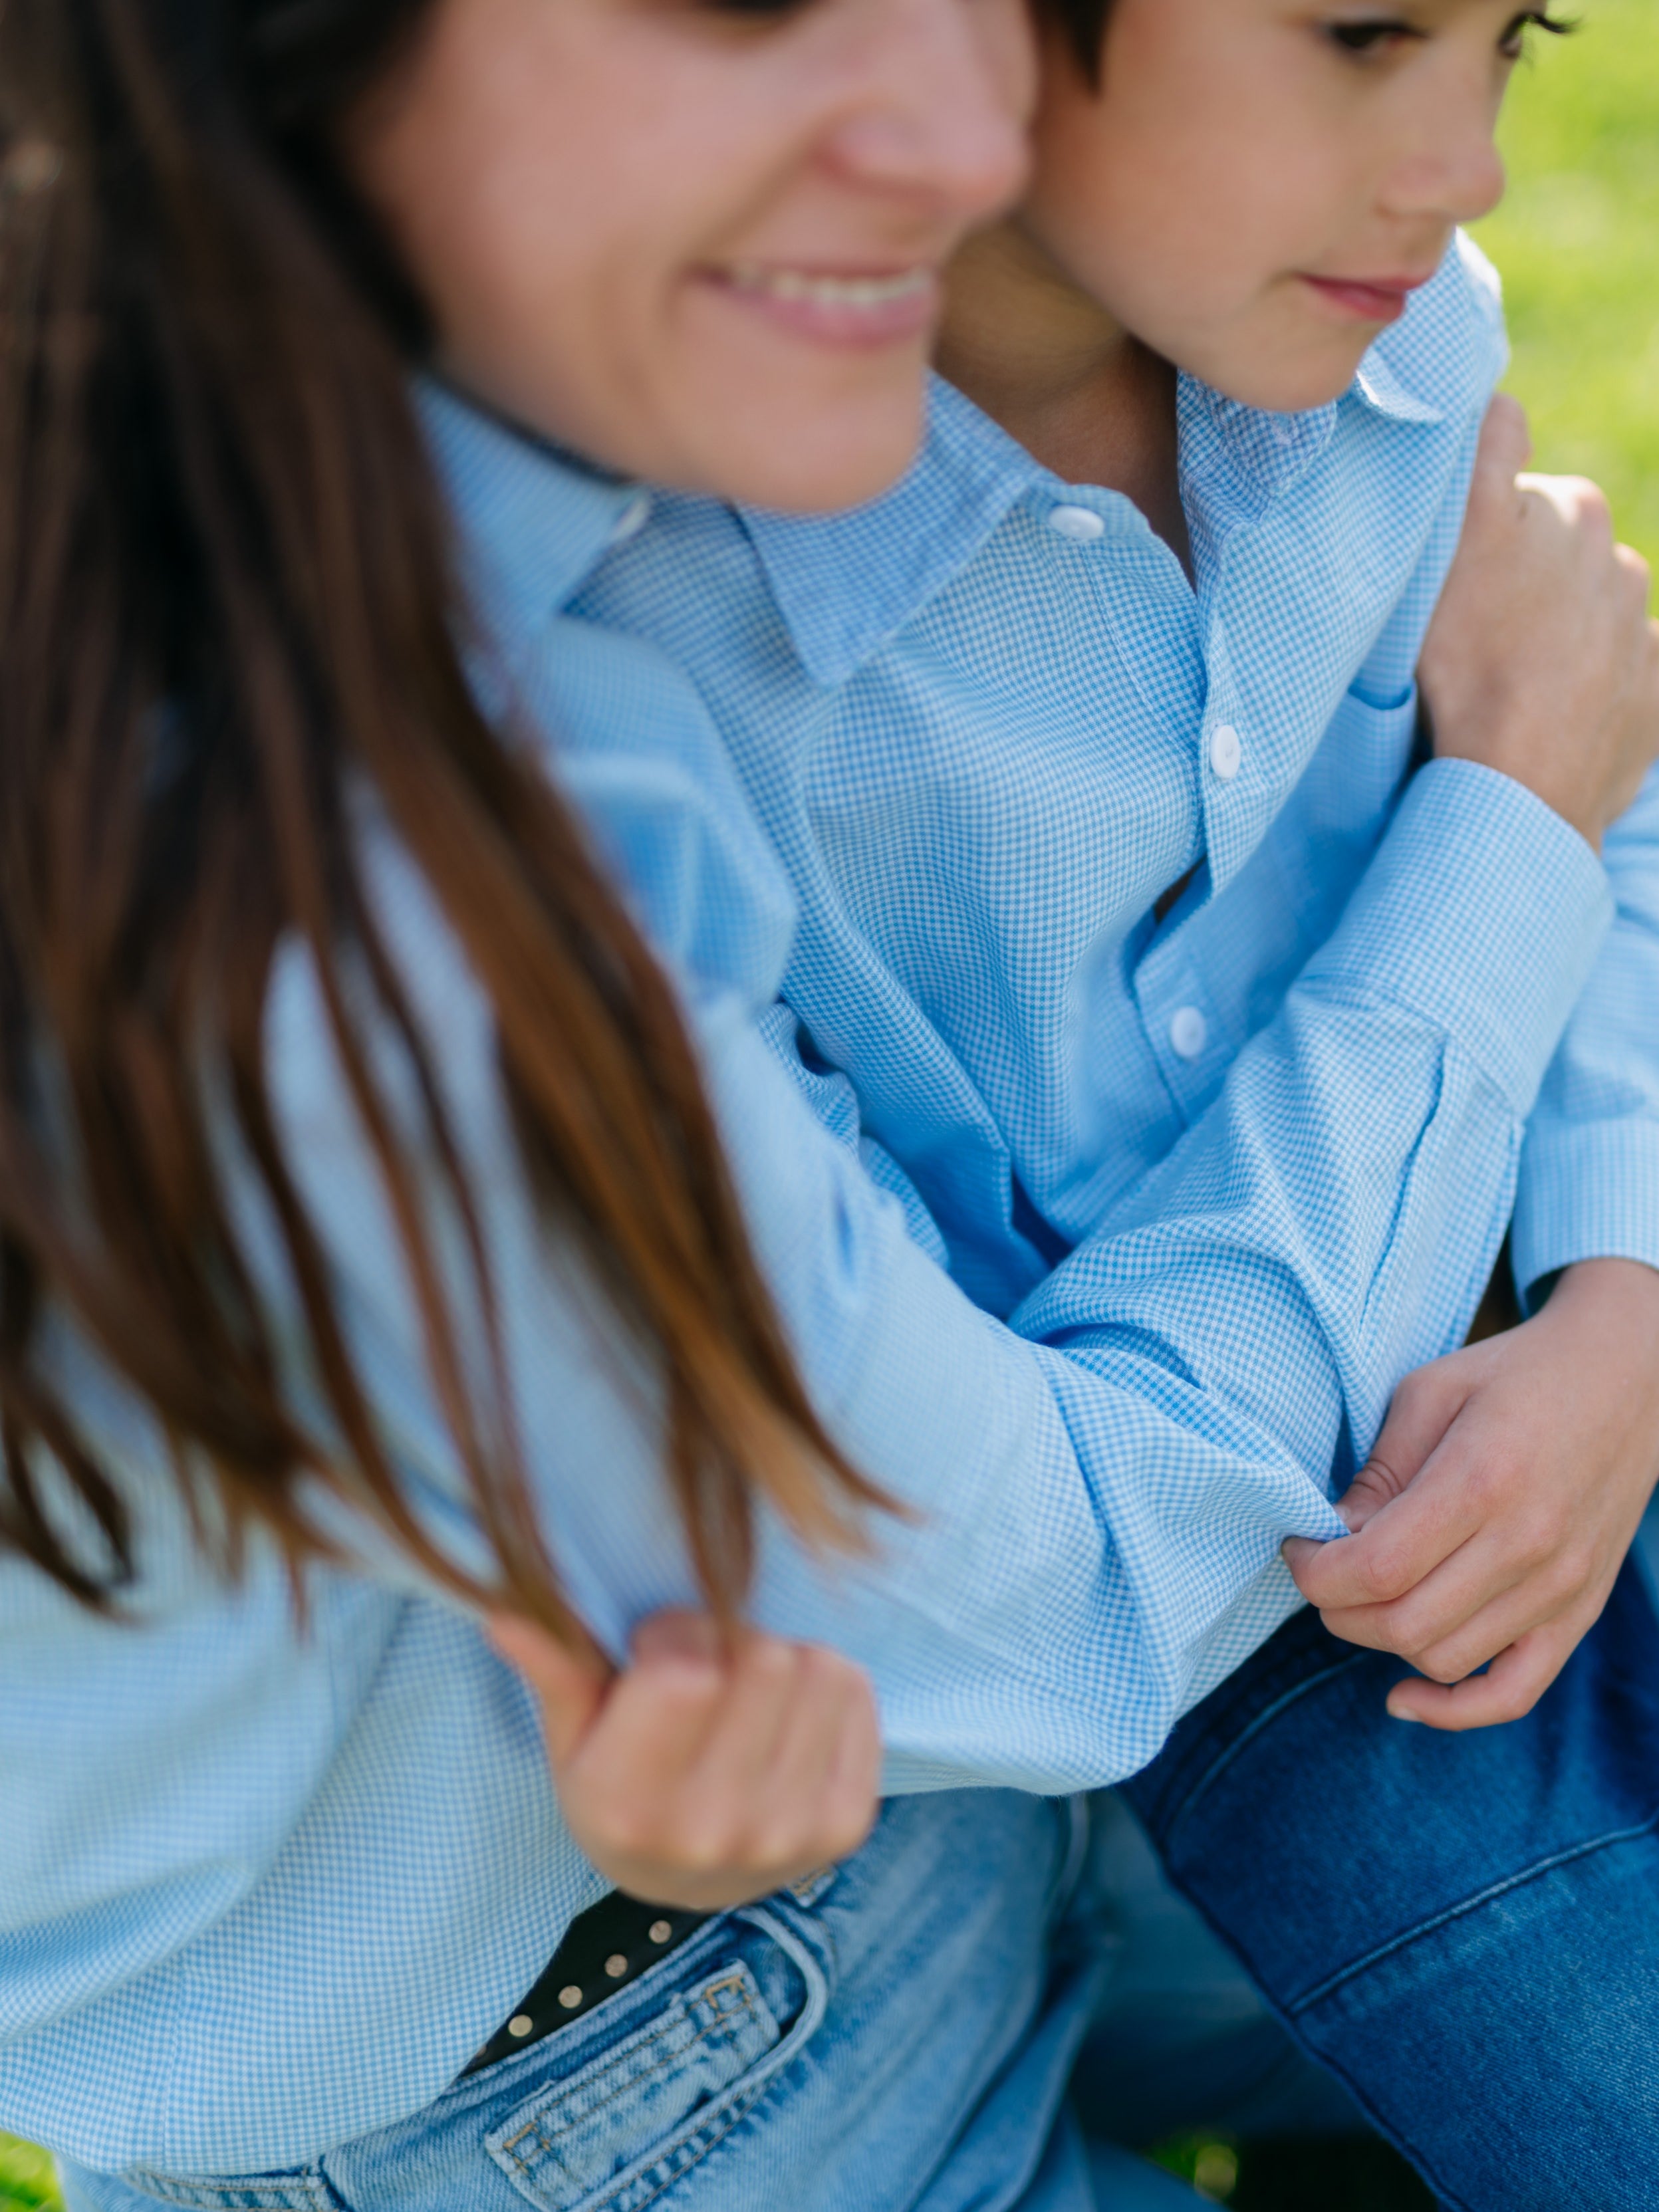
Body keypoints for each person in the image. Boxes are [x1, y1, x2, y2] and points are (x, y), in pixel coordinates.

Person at [0, 7, 1650, 2212]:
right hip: (610, 2063)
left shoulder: (520, 584)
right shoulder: (373, 880)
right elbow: (1056, 1592)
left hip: (1022, 1776)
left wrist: (1619, 1262)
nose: (973, 126)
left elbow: (1589, 715)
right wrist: (1507, 827)